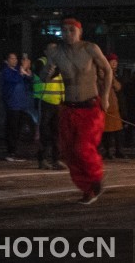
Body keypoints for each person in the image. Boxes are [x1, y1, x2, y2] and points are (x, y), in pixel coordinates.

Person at [43, 17, 113, 204]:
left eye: (71, 30)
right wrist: (49, 62)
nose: (67, 34)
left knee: (83, 147)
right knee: (69, 152)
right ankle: (88, 188)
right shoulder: (57, 53)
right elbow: (44, 78)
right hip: (69, 109)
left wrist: (105, 96)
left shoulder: (90, 48)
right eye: (64, 31)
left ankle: (96, 179)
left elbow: (108, 70)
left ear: (80, 32)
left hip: (90, 107)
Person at [33, 55, 65, 169]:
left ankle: (56, 159)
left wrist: (62, 99)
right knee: (44, 133)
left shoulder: (58, 65)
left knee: (56, 133)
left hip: (56, 103)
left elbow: (60, 84)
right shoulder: (41, 62)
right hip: (44, 101)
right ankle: (43, 159)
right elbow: (44, 76)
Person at [0, 52, 32, 162]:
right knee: (12, 129)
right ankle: (11, 152)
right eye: (12, 58)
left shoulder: (19, 71)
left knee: (19, 129)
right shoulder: (6, 71)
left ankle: (16, 151)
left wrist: (27, 72)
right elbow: (14, 79)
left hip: (22, 105)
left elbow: (28, 82)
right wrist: (22, 69)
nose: (15, 60)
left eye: (15, 58)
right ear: (6, 61)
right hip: (12, 105)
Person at [101, 54, 125, 159]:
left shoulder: (117, 75)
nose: (114, 63)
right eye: (112, 61)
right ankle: (107, 151)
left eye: (116, 61)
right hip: (106, 106)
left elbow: (119, 87)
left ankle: (119, 150)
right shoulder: (102, 73)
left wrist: (112, 77)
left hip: (116, 105)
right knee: (107, 132)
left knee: (118, 131)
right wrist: (108, 75)